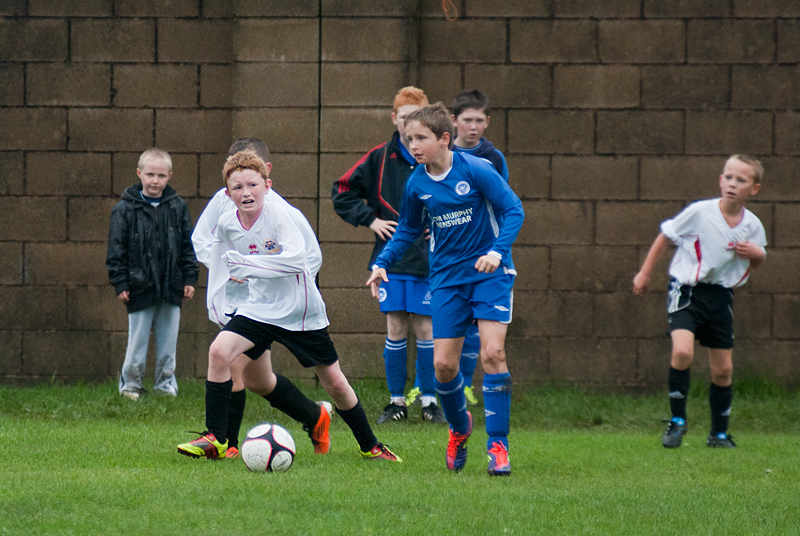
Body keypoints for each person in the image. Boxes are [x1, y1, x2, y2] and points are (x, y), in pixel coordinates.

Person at [178, 151, 400, 462]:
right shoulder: (227, 222)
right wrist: (221, 300)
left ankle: (370, 446)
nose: (246, 193)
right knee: (219, 351)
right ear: (227, 194)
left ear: (267, 185)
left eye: (252, 185)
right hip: (258, 307)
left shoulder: (279, 214)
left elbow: (297, 261)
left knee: (335, 383)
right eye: (237, 188)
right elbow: (221, 262)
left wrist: (249, 266)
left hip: (299, 310)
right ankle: (216, 436)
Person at [366, 103, 525, 475]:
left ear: (444, 139)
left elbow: (513, 209)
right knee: (442, 366)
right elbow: (407, 229)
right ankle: (459, 428)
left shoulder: (478, 170)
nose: (414, 145)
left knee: (493, 354)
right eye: (409, 138)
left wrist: (496, 252)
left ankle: (498, 446)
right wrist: (382, 263)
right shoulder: (417, 183)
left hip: (490, 274)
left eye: (421, 138)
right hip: (447, 279)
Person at [190, 137, 329, 459]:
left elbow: (309, 257)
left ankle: (227, 443)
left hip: (278, 305)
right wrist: (229, 268)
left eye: (250, 177)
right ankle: (315, 416)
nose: (242, 187)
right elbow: (202, 241)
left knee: (231, 361)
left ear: (266, 174)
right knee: (259, 380)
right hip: (240, 300)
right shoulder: (222, 203)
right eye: (234, 180)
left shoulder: (281, 211)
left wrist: (266, 275)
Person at [633, 155, 767, 449]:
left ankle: (719, 434)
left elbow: (756, 261)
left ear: (754, 189)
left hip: (720, 296)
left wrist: (758, 255)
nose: (733, 184)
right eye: (728, 177)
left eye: (741, 180)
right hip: (687, 290)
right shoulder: (700, 212)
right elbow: (665, 236)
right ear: (720, 180)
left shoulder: (753, 226)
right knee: (682, 351)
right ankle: (677, 420)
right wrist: (644, 273)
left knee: (723, 370)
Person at [332, 87, 446, 425]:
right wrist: (371, 219)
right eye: (405, 115)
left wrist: (440, 226)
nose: (410, 122)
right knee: (396, 327)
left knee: (426, 330)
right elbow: (342, 190)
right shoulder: (379, 157)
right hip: (391, 258)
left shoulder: (438, 158)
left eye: (417, 115)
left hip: (429, 260)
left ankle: (429, 402)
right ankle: (396, 402)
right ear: (393, 118)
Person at [106, 148, 198, 400]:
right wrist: (120, 282)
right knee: (137, 342)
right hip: (138, 286)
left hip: (171, 286)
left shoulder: (178, 207)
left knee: (168, 344)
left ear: (169, 175)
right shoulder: (124, 209)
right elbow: (116, 249)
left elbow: (187, 245)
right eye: (149, 174)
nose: (155, 181)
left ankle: (166, 387)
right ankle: (131, 387)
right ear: (139, 174)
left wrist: (190, 277)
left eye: (160, 175)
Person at [450, 88, 510, 406]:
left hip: (487, 258)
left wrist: (498, 248)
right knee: (442, 350)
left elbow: (506, 206)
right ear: (453, 121)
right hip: (450, 262)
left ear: (487, 122)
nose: (473, 126)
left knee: (491, 345)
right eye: (467, 120)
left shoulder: (493, 159)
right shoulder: (437, 159)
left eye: (479, 120)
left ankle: (470, 389)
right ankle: (442, 395)